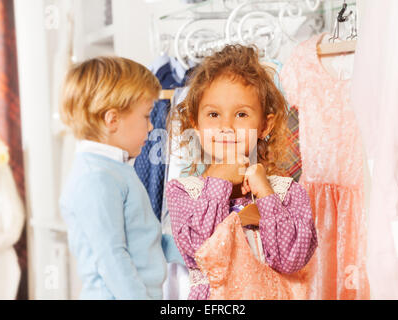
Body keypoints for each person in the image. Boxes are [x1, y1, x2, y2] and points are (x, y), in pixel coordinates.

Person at [165, 45, 318, 300]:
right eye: (213, 114)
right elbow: (198, 254)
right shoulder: (183, 192)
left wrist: (266, 194)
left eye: (241, 114)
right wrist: (219, 181)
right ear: (196, 123)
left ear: (264, 125)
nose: (226, 127)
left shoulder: (287, 192)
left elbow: (292, 259)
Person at [59, 56, 183, 300]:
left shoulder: (116, 169)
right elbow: (112, 258)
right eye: (146, 116)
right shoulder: (96, 178)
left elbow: (146, 238)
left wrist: (199, 254)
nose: (150, 127)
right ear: (112, 120)